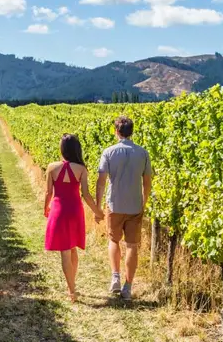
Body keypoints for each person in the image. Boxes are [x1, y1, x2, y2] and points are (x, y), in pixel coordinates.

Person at [96, 116, 152, 301]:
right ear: (132, 132)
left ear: (116, 131)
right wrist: (143, 203)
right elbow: (147, 182)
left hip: (114, 204)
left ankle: (115, 277)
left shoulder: (109, 152)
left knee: (113, 241)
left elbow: (101, 181)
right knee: (132, 246)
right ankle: (128, 286)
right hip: (135, 205)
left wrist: (98, 206)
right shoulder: (143, 153)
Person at [44, 133, 105, 302]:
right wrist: (97, 211)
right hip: (75, 211)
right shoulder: (81, 169)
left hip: (59, 210)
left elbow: (48, 192)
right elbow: (86, 195)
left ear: (62, 149)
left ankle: (71, 290)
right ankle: (72, 284)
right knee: (72, 248)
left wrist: (45, 208)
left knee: (65, 252)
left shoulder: (51, 167)